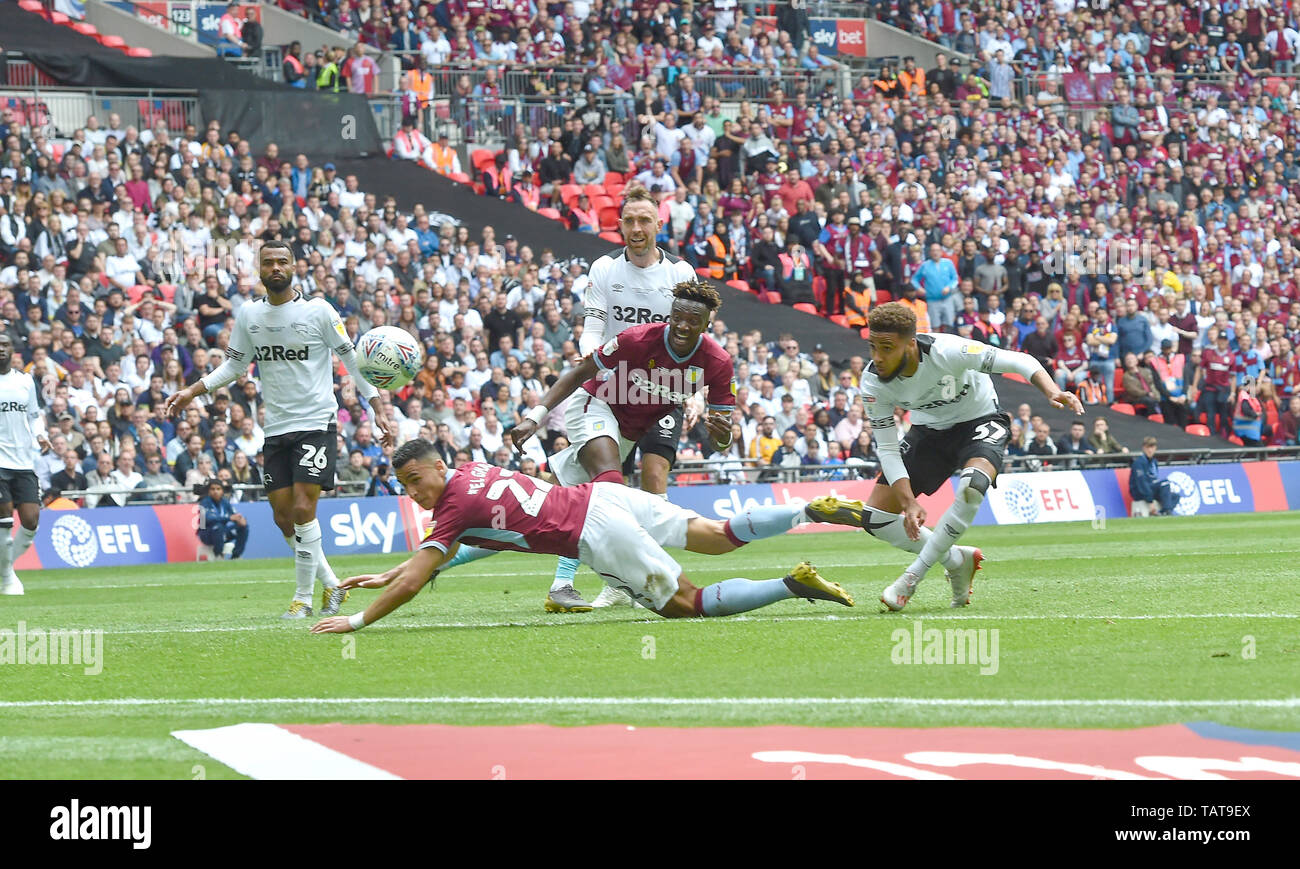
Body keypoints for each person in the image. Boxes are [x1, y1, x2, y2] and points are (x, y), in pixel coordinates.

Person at [308, 439, 855, 634]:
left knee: (686, 606)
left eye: (414, 481)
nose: (413, 494)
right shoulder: (470, 473)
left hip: (594, 530)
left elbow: (418, 580)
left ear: (434, 468)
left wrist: (356, 620)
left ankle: (793, 583)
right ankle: (805, 508)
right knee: (713, 534)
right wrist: (396, 569)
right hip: (605, 495)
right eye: (403, 487)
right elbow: (461, 547)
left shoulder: (452, 504)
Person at [449, 187, 698, 614]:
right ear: (619, 225)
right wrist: (590, 355)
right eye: (629, 221)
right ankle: (459, 560)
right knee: (567, 495)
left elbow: (692, 337)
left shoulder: (680, 275)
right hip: (611, 392)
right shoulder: (604, 269)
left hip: (661, 394)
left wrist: (694, 391)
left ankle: (638, 581)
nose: (637, 229)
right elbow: (593, 323)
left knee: (654, 484)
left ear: (659, 225)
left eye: (645, 221)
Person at [165, 240, 397, 619]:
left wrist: (376, 405)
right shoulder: (249, 316)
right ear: (259, 269)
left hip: (316, 423)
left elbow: (352, 360)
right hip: (275, 428)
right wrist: (193, 390)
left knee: (305, 509)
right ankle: (333, 584)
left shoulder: (319, 311)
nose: (275, 267)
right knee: (283, 517)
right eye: (268, 262)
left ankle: (302, 599)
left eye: (282, 261)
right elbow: (235, 367)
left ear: (294, 266)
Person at [806, 303, 1084, 611]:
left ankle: (911, 578)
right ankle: (956, 560)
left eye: (887, 348)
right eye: (873, 347)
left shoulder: (949, 350)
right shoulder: (872, 381)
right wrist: (908, 501)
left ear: (910, 343)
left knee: (971, 486)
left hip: (981, 420)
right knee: (875, 519)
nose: (878, 357)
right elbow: (886, 448)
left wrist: (1051, 391)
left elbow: (1020, 360)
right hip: (928, 434)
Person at [506, 279, 736, 608]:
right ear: (670, 314)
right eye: (678, 317)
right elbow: (579, 372)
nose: (683, 326)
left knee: (546, 501)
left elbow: (724, 439)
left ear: (707, 324)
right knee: (610, 488)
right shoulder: (637, 338)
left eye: (693, 321)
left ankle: (470, 534)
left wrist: (721, 433)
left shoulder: (717, 362)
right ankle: (609, 581)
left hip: (630, 430)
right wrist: (535, 417)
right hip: (596, 405)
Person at [0, 334, 51, 595]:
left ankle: (5, 569)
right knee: (5, 518)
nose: (0, 349)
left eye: (4, 344)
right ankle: (7, 577)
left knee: (31, 520)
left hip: (23, 461)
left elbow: (33, 416)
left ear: (12, 350)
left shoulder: (24, 381)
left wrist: (41, 434)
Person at [197, 478, 249, 559]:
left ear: (222, 491)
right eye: (212, 489)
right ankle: (218, 555)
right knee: (218, 527)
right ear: (209, 491)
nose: (215, 491)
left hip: (222, 532)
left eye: (218, 489)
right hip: (206, 533)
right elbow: (207, 519)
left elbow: (234, 515)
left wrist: (240, 520)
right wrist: (229, 518)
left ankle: (236, 555)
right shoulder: (204, 502)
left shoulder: (225, 502)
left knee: (243, 527)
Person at [1129, 436, 1178, 515]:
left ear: (1155, 448)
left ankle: (1164, 512)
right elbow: (1141, 483)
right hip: (1139, 492)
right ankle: (1167, 512)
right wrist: (1150, 501)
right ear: (1143, 448)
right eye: (1147, 448)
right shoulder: (1139, 463)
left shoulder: (1154, 462)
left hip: (1151, 488)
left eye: (1152, 447)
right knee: (1165, 483)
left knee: (1175, 496)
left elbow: (1154, 479)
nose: (1150, 450)